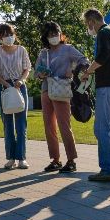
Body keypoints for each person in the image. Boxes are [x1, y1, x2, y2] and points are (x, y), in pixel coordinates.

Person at [80, 8, 110, 182]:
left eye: (87, 24)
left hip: (107, 88)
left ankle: (108, 169)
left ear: (92, 21)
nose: (88, 27)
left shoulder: (103, 33)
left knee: (101, 129)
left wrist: (87, 72)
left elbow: (102, 57)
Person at [34, 22, 89, 174]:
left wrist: (74, 70)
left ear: (60, 34)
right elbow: (36, 72)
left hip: (62, 90)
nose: (53, 36)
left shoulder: (68, 49)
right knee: (49, 127)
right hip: (46, 90)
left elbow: (84, 60)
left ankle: (71, 161)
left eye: (55, 33)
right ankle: (55, 160)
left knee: (64, 126)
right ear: (45, 37)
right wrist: (41, 74)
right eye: (50, 34)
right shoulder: (43, 53)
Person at [0, 23, 32, 170]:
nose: (9, 37)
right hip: (4, 87)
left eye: (11, 34)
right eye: (5, 35)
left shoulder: (21, 50)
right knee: (7, 124)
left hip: (20, 87)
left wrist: (21, 80)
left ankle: (21, 158)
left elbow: (27, 68)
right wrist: (5, 84)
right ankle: (11, 158)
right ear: (0, 37)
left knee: (21, 124)